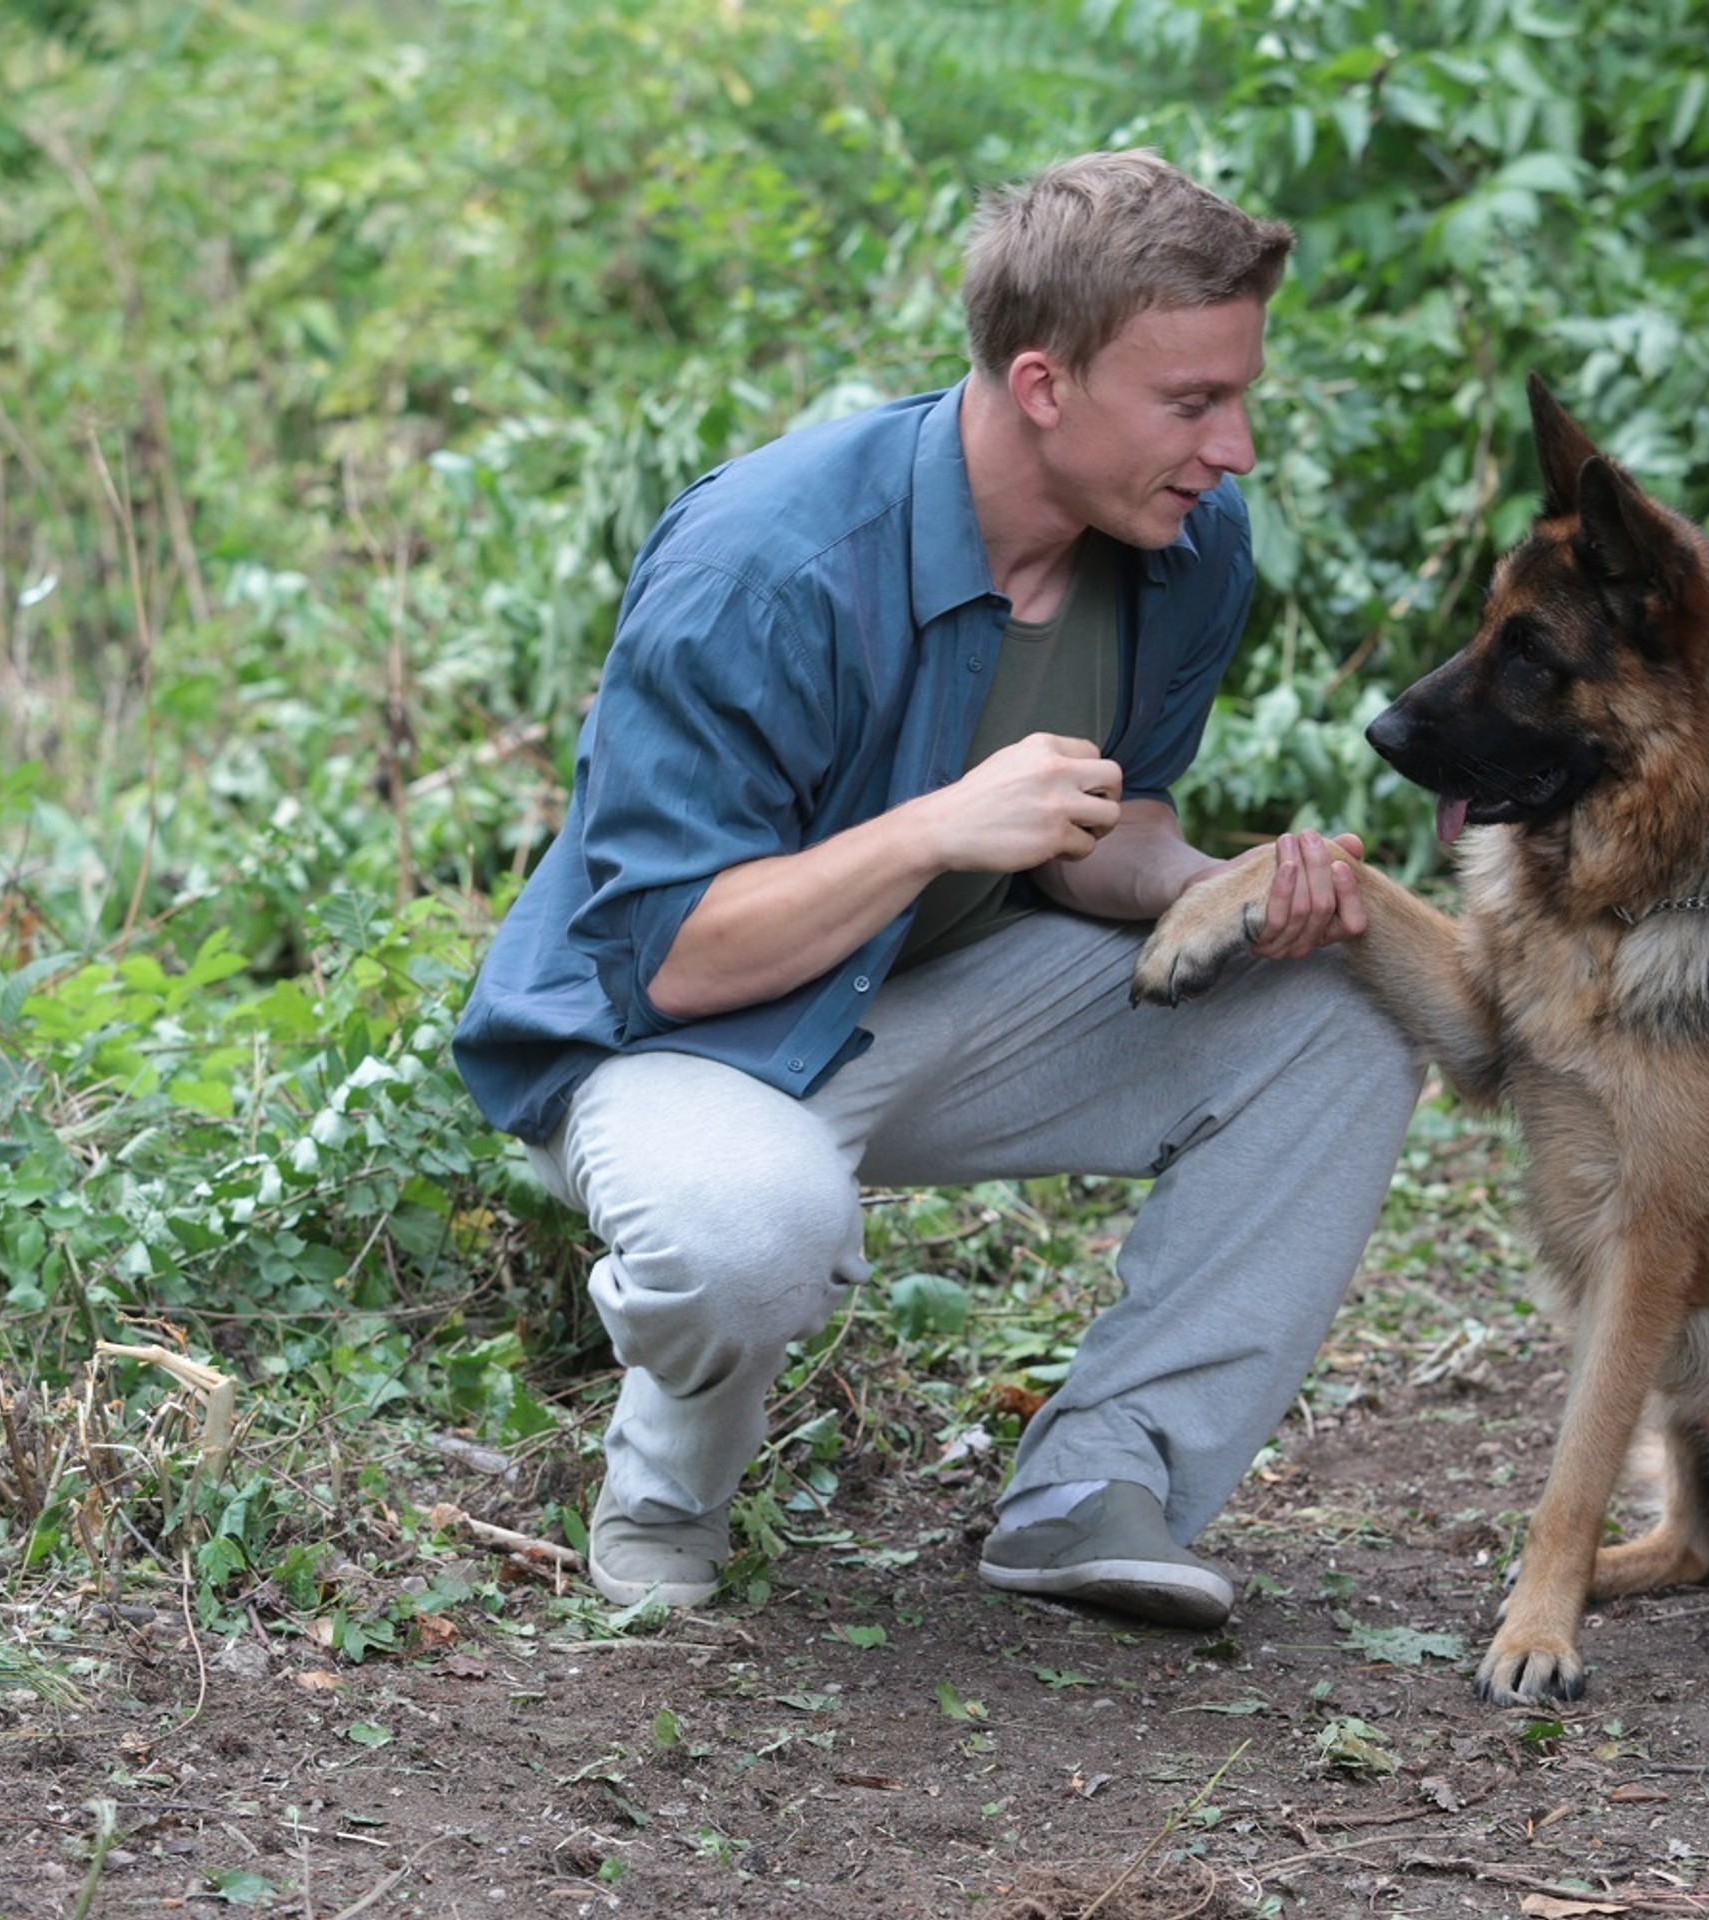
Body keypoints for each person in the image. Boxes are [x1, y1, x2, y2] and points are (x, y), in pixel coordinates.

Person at [451, 150, 1418, 1629]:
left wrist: (1221, 886)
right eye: (1190, 404)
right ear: (1042, 385)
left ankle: (1097, 1485)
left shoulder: (1183, 545)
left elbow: (1102, 829)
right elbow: (677, 960)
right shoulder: (761, 566)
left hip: (942, 1003)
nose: (1234, 448)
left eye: (1239, 396)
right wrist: (936, 829)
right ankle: (665, 1487)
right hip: (672, 1040)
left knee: (1334, 1020)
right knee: (751, 1225)